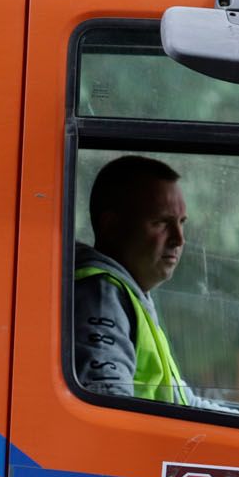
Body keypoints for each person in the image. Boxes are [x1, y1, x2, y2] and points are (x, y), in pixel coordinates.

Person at [74, 155, 192, 405]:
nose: (179, 239)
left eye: (181, 223)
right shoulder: (101, 296)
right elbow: (109, 408)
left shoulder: (132, 295)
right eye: (161, 223)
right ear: (111, 226)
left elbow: (183, 401)